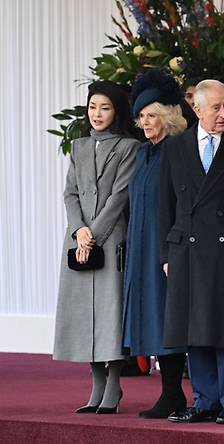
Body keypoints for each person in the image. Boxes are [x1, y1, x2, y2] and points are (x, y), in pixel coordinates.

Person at [160, 79, 224, 425]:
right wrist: (165, 254)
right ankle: (204, 400)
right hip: (186, 249)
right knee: (194, 329)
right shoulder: (176, 148)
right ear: (196, 109)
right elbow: (165, 205)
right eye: (216, 107)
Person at [53, 80, 139, 414]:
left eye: (104, 107)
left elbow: (120, 196)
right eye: (92, 107)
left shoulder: (129, 147)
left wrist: (95, 234)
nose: (97, 114)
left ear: (116, 111)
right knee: (82, 314)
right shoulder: (78, 146)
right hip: (78, 241)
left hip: (111, 238)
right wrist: (79, 232)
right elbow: (70, 193)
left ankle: (114, 384)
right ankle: (96, 385)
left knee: (109, 311)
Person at [122, 69, 188, 418]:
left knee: (168, 318)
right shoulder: (145, 153)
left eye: (151, 115)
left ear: (167, 116)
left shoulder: (177, 150)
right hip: (142, 247)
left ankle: (174, 393)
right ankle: (170, 393)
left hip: (165, 248)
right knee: (153, 316)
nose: (145, 122)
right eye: (142, 116)